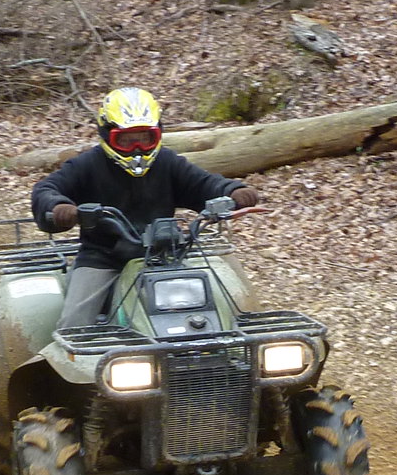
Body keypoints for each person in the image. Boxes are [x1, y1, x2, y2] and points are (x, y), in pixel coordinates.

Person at [31, 87, 263, 330]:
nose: (137, 148)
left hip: (165, 255)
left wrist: (233, 190)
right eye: (125, 140)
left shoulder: (166, 162)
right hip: (104, 257)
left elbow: (203, 183)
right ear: (107, 134)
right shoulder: (87, 164)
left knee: (226, 307)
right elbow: (46, 189)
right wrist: (60, 208)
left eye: (145, 138)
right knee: (74, 324)